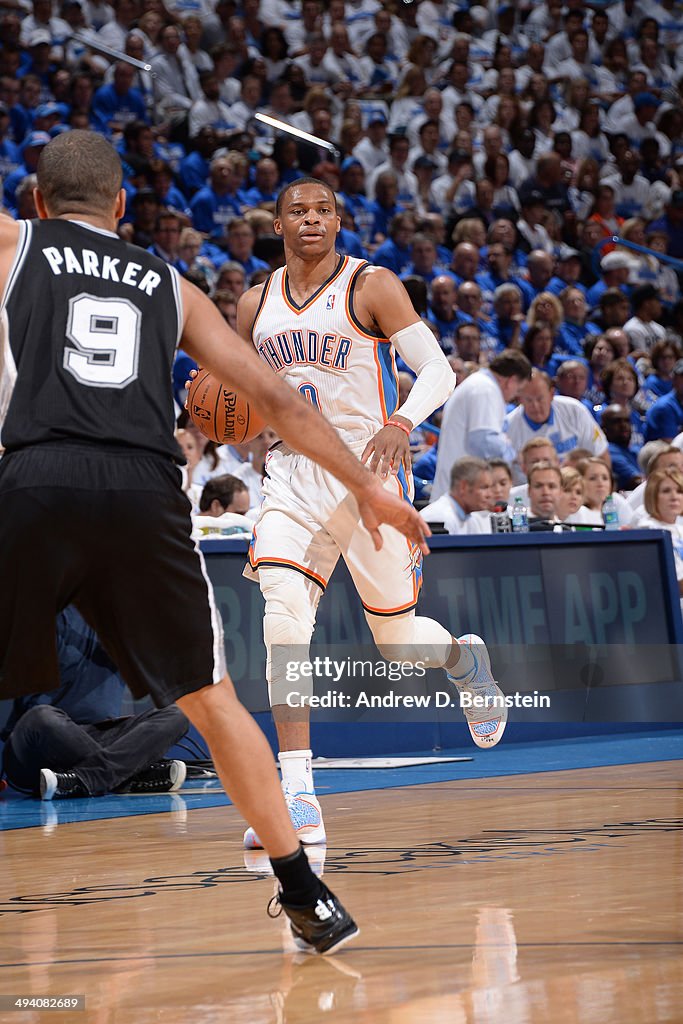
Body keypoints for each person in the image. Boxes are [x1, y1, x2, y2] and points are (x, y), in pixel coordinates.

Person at [0, 133, 433, 955]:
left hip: (33, 473)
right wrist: (372, 485)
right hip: (142, 487)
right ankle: (306, 895)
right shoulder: (171, 284)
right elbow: (274, 397)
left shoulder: (14, 243)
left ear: (38, 201)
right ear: (123, 206)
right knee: (211, 697)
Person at [238, 176, 510, 850]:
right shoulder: (254, 302)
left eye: (323, 210)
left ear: (338, 221)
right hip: (294, 479)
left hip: (371, 476)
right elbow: (240, 393)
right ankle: (294, 794)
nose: (311, 219)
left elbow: (438, 372)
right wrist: (236, 422)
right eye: (297, 210)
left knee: (396, 642)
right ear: (277, 223)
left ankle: (461, 661)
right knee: (282, 619)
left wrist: (401, 419)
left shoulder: (372, 286)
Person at [1, 606, 190, 800]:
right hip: (34, 745)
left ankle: (86, 779)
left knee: (178, 714)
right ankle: (130, 777)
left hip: (94, 737)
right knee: (42, 717)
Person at [433, 350, 532, 500]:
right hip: (460, 493)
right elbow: (484, 441)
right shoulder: (485, 389)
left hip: (461, 489)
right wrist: (511, 452)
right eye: (518, 390)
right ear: (511, 381)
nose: (515, 396)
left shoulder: (480, 385)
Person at [506, 371, 610, 465]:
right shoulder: (508, 428)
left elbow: (600, 453)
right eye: (529, 400)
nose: (536, 406)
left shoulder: (574, 410)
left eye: (540, 398)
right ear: (519, 399)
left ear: (551, 394)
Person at [420, 456, 493, 535]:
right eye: (484, 487)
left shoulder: (471, 519)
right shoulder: (440, 518)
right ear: (463, 487)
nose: (489, 495)